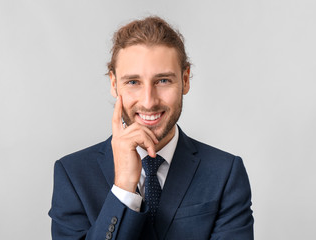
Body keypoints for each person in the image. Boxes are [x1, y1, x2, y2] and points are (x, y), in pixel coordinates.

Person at [49, 16, 254, 240]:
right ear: (114, 83)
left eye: (163, 81)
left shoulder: (225, 173)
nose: (149, 101)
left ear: (185, 80)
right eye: (133, 82)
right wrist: (123, 188)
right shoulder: (72, 175)